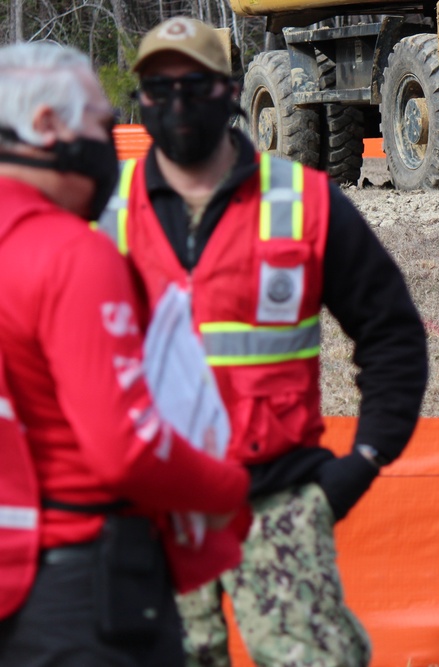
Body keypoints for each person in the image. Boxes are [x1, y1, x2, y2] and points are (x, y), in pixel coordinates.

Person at [96, 17, 429, 667]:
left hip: (277, 505)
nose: (176, 104)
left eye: (194, 84)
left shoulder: (305, 202)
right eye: (157, 90)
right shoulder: (106, 213)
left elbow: (390, 336)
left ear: (228, 91)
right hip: (147, 516)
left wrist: (360, 463)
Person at [0, 42, 251, 666]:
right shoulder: (70, 255)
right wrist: (229, 486)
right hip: (86, 586)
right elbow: (125, 450)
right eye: (98, 122)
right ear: (46, 124)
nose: (109, 141)